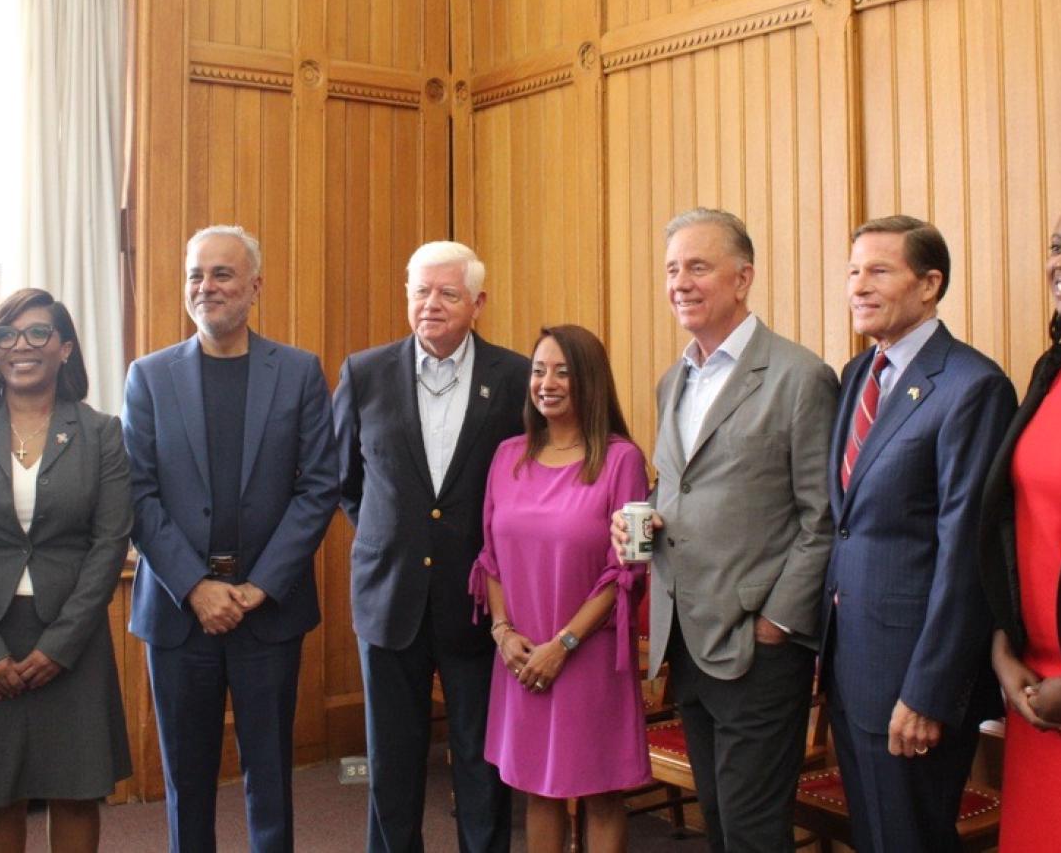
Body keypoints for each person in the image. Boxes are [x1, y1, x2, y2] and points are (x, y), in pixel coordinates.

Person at [611, 208, 838, 853]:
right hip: (686, 642)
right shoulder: (672, 379)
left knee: (754, 832)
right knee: (720, 823)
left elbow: (821, 519)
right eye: (671, 269)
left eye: (698, 267)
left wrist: (778, 625)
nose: (680, 282)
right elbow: (680, 486)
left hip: (758, 648)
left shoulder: (798, 377)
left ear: (744, 279)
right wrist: (647, 518)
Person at [122, 224, 338, 853]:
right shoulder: (149, 376)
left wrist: (257, 587)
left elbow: (318, 487)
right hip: (178, 611)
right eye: (195, 274)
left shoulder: (297, 373)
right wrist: (195, 586)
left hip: (267, 612)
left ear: (254, 287)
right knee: (185, 779)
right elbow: (138, 494)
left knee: (270, 775)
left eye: (221, 274)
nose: (206, 286)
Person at [821, 216, 1015, 853]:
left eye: (878, 270)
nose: (858, 285)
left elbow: (967, 556)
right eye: (853, 271)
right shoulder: (857, 374)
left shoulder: (971, 386)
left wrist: (929, 691)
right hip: (852, 668)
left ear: (930, 284)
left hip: (913, 682)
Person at [333, 241, 527, 853]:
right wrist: (390, 535)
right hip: (389, 597)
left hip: (477, 602)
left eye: (448, 293)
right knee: (391, 759)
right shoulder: (364, 373)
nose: (431, 305)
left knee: (479, 757)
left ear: (478, 302)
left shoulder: (517, 376)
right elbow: (344, 482)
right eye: (421, 291)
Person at [0, 288, 132, 851]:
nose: (22, 345)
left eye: (38, 333)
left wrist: (60, 645)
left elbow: (109, 543)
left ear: (65, 347)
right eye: (6, 335)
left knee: (74, 789)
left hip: (71, 638)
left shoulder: (100, 433)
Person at [470, 324, 650, 853]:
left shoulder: (621, 459)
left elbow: (625, 573)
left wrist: (563, 645)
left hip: (587, 655)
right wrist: (504, 634)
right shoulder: (508, 456)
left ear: (589, 381)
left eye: (563, 372)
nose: (546, 382)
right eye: (539, 370)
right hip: (521, 655)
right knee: (536, 791)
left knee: (601, 794)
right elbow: (491, 558)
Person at [981, 193, 1061, 851]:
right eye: (1057, 245)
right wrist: (1000, 646)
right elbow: (1013, 533)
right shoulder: (1053, 369)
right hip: (1034, 697)